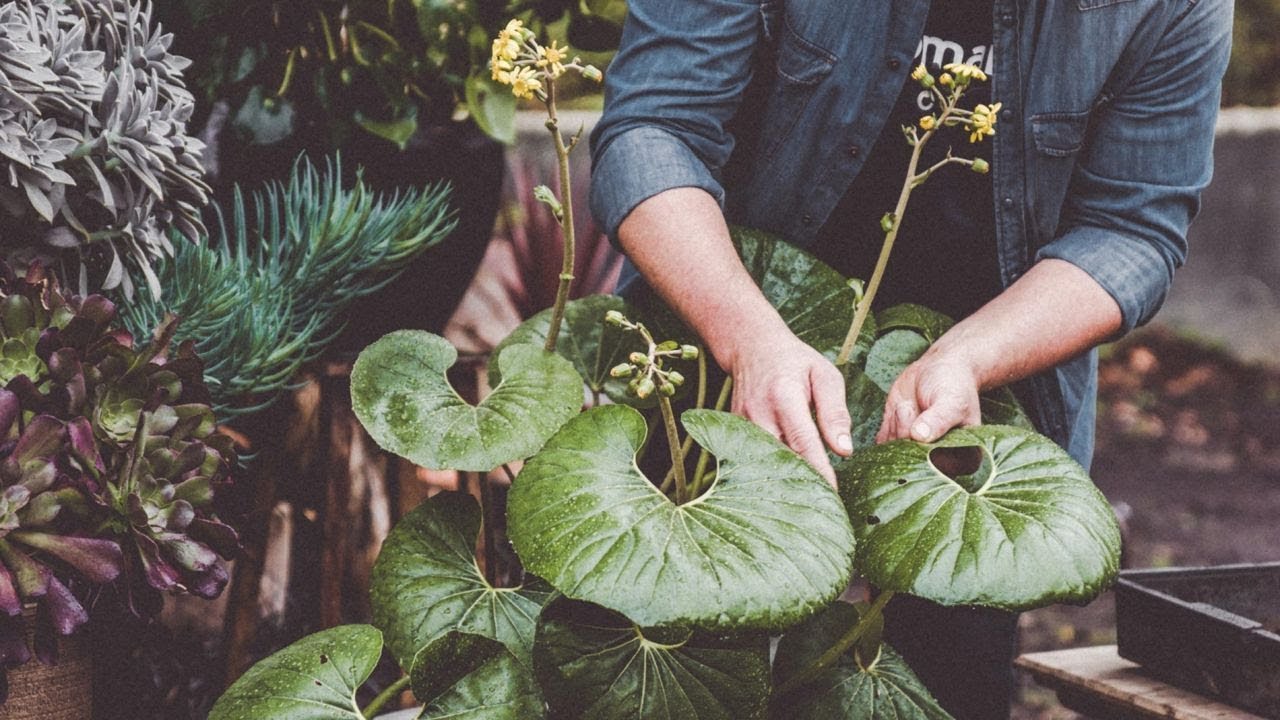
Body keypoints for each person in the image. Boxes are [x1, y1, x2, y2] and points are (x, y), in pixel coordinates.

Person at [588, 1, 1232, 717]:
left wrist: (970, 356)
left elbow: (1132, 228)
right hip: (717, 358)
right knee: (678, 671)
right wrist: (749, 337)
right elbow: (652, 130)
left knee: (944, 683)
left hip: (976, 405)